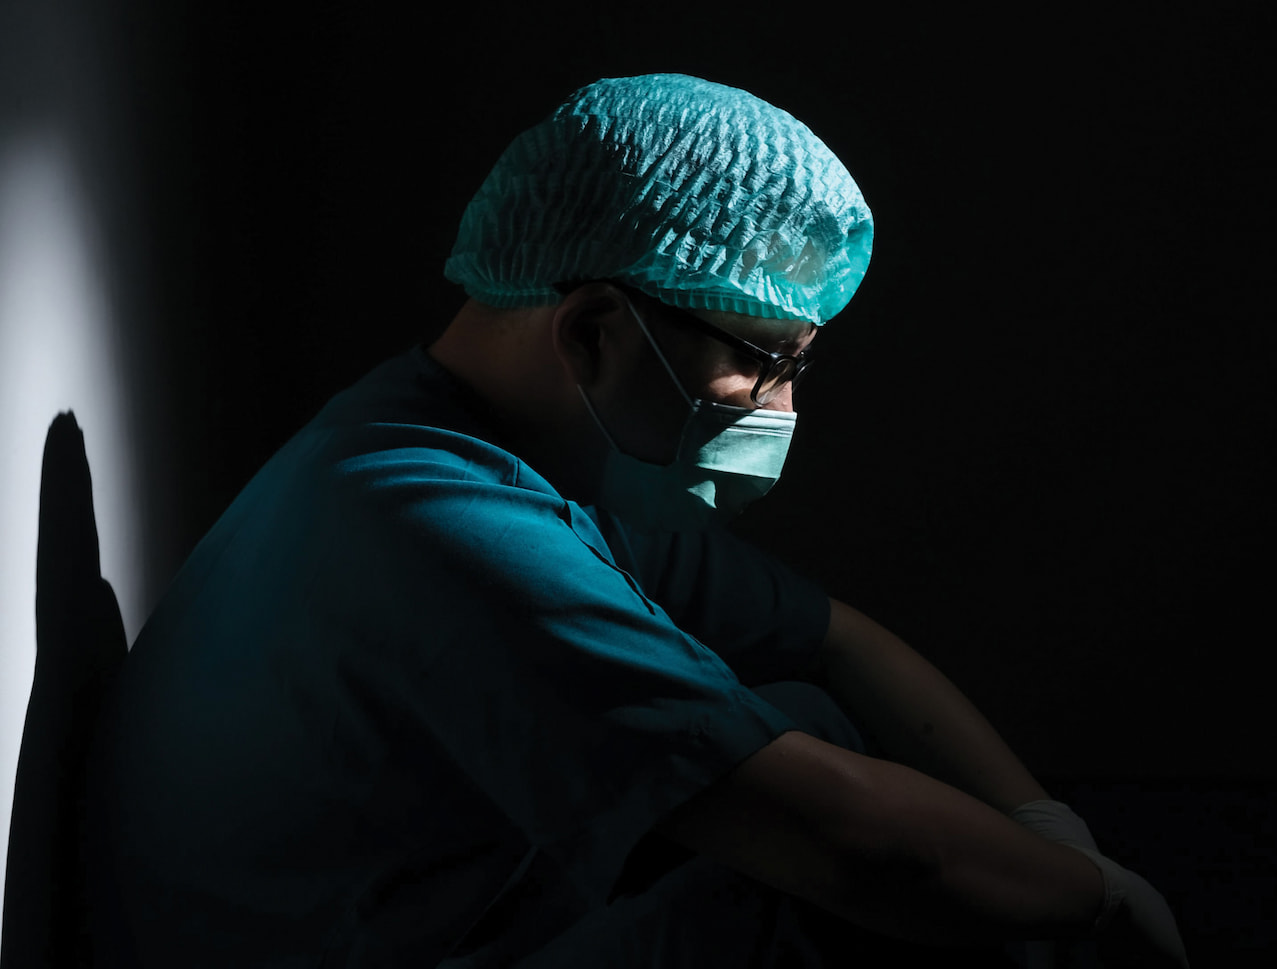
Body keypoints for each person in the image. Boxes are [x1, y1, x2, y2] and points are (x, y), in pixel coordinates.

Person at [81, 74, 1188, 967]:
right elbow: (854, 847)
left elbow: (835, 639)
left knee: (808, 716)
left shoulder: (462, 438)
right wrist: (1092, 899)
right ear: (597, 331)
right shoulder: (447, 533)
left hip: (405, 901)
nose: (785, 410)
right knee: (831, 883)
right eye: (763, 363)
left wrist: (1046, 831)